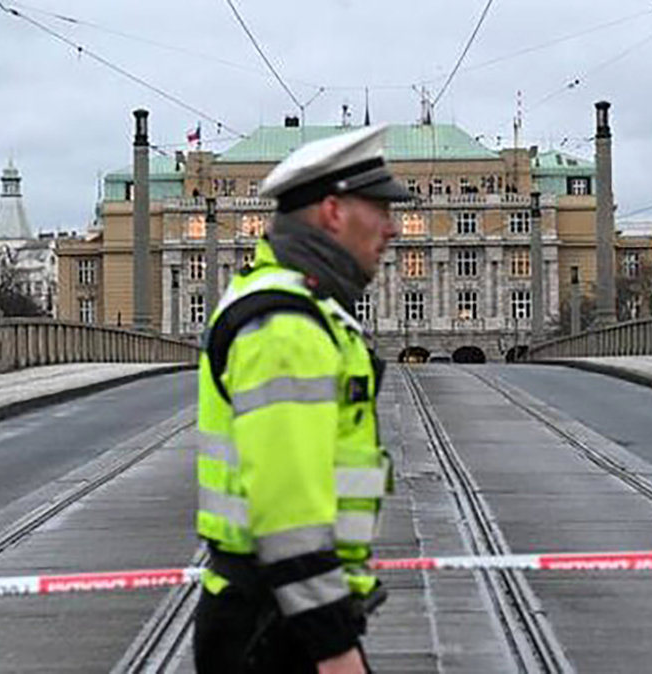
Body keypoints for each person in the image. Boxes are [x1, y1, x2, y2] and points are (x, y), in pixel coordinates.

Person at [194, 125, 410, 674]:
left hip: (281, 614)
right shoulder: (288, 328)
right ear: (333, 212)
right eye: (379, 210)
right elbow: (288, 514)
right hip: (276, 626)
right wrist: (335, 650)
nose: (393, 228)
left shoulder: (296, 303)